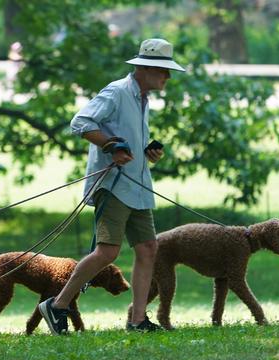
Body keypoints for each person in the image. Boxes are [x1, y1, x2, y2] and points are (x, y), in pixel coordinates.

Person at [39, 38, 186, 334]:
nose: (167, 77)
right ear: (145, 68)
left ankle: (137, 320)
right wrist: (109, 145)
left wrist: (147, 152)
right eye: (163, 70)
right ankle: (56, 306)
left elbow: (125, 136)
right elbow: (81, 122)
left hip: (138, 186)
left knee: (147, 248)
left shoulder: (142, 99)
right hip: (114, 185)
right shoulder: (118, 92)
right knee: (107, 253)